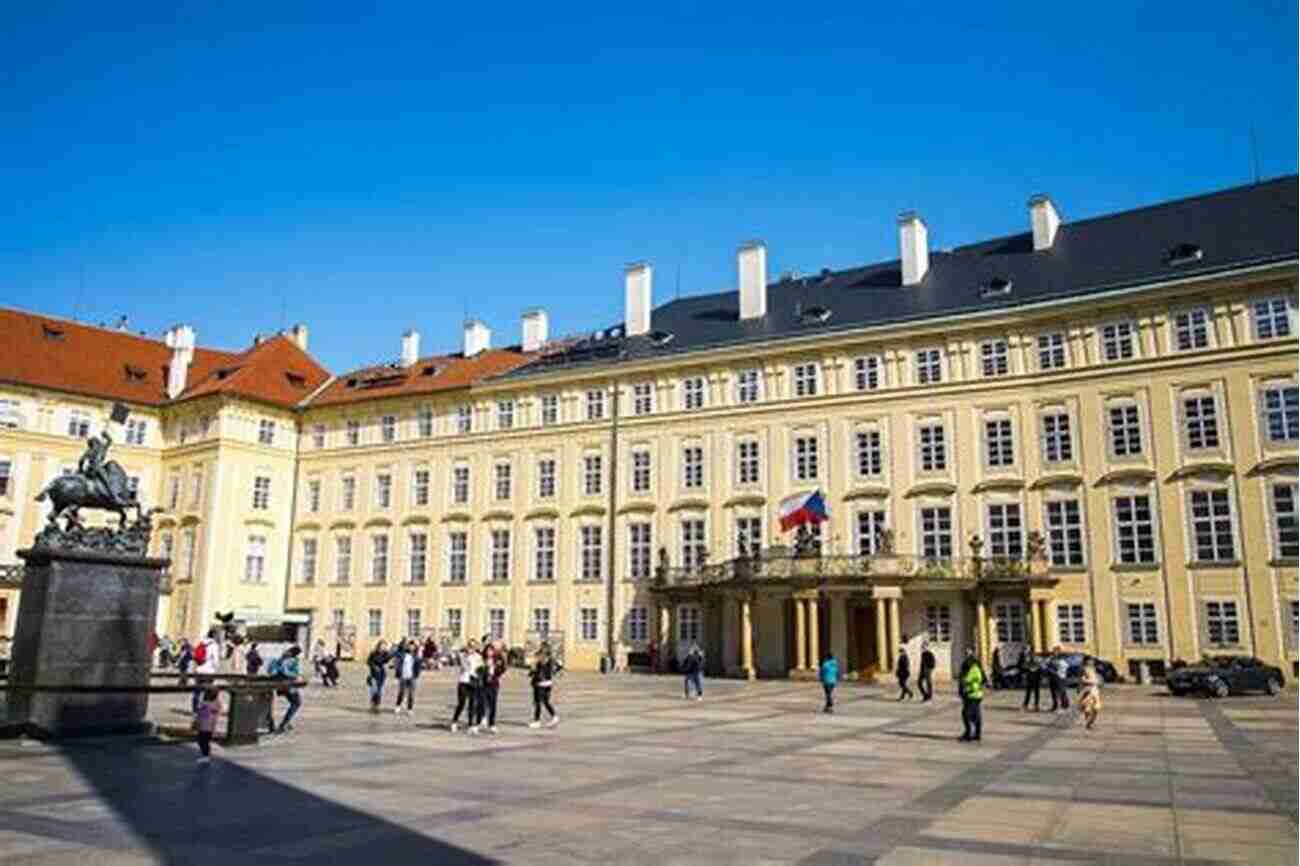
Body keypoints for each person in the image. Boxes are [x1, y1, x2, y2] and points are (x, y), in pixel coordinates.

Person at [266, 645, 303, 734]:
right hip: (289, 685)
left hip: (278, 684)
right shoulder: (293, 661)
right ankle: (284, 724)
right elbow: (294, 674)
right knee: (296, 703)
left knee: (293, 702)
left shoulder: (279, 658)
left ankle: (284, 723)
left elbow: (270, 671)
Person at [450, 640, 482, 733]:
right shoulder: (463, 656)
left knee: (472, 704)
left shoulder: (478, 657)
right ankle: (454, 721)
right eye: (469, 646)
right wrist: (465, 653)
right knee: (461, 703)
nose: (471, 648)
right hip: (463, 681)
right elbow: (464, 665)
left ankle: (471, 724)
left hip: (473, 681)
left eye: (473, 646)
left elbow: (480, 669)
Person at [528, 646, 562, 728]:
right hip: (547, 684)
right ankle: (554, 717)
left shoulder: (541, 663)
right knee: (545, 702)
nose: (538, 657)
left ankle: (537, 721)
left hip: (541, 684)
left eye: (540, 655)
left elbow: (535, 673)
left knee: (538, 703)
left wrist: (533, 670)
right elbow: (558, 668)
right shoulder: (549, 662)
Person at [958, 648, 985, 742]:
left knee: (966, 714)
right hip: (976, 694)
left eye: (968, 651)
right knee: (976, 715)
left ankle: (968, 734)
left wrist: (963, 687)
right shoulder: (976, 664)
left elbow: (965, 679)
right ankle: (977, 734)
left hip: (971, 693)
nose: (966, 652)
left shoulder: (971, 665)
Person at [191, 628, 220, 713]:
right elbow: (215, 660)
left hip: (199, 670)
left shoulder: (201, 642)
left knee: (197, 691)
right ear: (214, 635)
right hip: (208, 671)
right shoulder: (214, 645)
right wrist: (215, 667)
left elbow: (195, 656)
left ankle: (195, 710)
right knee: (208, 691)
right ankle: (205, 709)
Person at [480, 643, 506, 733]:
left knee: (492, 704)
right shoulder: (482, 660)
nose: (489, 652)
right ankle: (482, 716)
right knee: (483, 702)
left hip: (493, 684)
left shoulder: (497, 660)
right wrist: (485, 667)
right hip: (483, 684)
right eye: (488, 650)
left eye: (491, 650)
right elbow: (477, 671)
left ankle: (492, 724)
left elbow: (502, 669)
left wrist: (495, 668)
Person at [194, 686, 221, 766]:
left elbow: (202, 715)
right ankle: (206, 755)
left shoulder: (205, 704)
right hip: (210, 726)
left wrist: (197, 721)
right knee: (205, 741)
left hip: (204, 726)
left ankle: (206, 756)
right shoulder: (216, 704)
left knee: (202, 741)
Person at [394, 639, 421, 715]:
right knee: (401, 692)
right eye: (410, 646)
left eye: (413, 646)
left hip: (412, 677)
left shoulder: (416, 656)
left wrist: (416, 675)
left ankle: (410, 709)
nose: (411, 647)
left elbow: (418, 667)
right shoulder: (403, 655)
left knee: (411, 694)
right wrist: (397, 675)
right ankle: (398, 705)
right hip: (403, 676)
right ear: (407, 646)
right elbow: (398, 665)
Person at [366, 640, 390, 713]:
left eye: (385, 646)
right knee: (374, 690)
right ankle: (372, 705)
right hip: (373, 674)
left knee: (380, 691)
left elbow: (386, 661)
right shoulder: (373, 653)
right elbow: (368, 662)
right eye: (382, 646)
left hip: (382, 675)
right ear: (379, 646)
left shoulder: (386, 654)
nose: (383, 647)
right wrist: (374, 666)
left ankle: (377, 706)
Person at [1078, 661, 1102, 730]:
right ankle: (1088, 723)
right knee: (1087, 708)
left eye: (1091, 664)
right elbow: (1082, 681)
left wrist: (1097, 682)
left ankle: (1090, 722)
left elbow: (1098, 681)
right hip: (1088, 691)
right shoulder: (1084, 672)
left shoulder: (1094, 672)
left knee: (1096, 708)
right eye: (1089, 664)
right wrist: (1091, 681)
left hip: (1094, 691)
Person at [1047, 647, 1071, 712]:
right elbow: (1048, 666)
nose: (1054, 652)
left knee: (1062, 692)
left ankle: (1064, 707)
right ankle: (1055, 706)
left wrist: (1056, 669)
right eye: (1054, 651)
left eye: (1056, 651)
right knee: (1053, 693)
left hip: (1060, 677)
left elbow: (1065, 667)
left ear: (1059, 652)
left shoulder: (1062, 659)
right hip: (1052, 677)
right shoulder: (1051, 658)